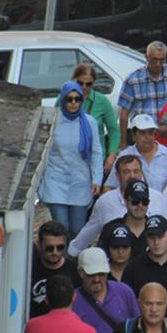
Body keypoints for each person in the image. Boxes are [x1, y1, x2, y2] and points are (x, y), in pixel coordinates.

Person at [37, 81, 103, 237]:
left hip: (80, 181)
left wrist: (97, 179)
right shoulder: (53, 120)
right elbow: (42, 151)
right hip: (55, 181)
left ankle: (73, 254)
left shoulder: (89, 123)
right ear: (63, 99)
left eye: (77, 99)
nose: (73, 103)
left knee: (77, 230)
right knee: (61, 227)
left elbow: (96, 152)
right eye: (69, 99)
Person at [117, 43, 167, 146]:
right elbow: (124, 113)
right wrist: (123, 143)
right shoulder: (133, 79)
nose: (158, 64)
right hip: (143, 136)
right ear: (146, 57)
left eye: (162, 60)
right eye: (154, 60)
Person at [74, 62, 120, 178]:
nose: (84, 87)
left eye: (88, 84)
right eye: (80, 83)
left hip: (96, 159)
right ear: (74, 80)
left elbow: (113, 130)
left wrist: (112, 154)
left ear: (93, 83)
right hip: (72, 159)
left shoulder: (102, 101)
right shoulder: (65, 99)